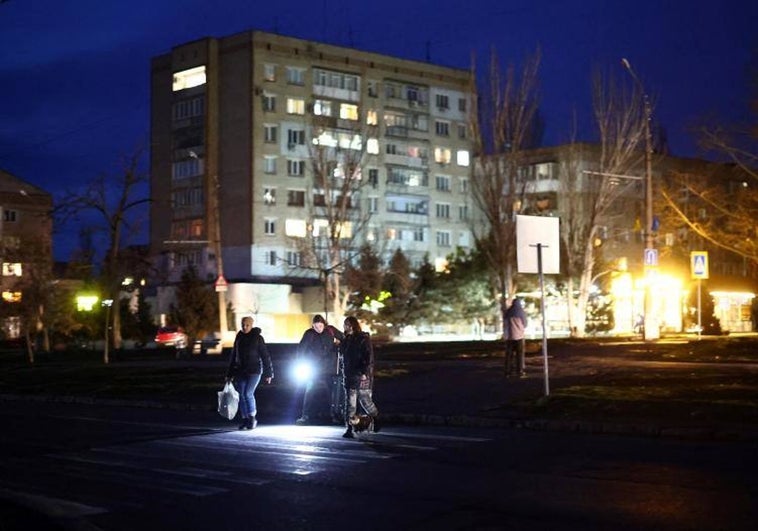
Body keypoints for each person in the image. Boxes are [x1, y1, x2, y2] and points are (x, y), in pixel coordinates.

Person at [226, 316, 274, 430]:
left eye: (247, 325)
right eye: (243, 324)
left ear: (251, 325)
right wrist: (229, 374)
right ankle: (245, 419)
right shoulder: (239, 337)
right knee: (241, 394)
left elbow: (265, 356)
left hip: (254, 370)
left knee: (248, 393)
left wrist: (269, 373)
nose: (245, 327)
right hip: (241, 370)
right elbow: (234, 356)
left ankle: (252, 418)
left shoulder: (257, 338)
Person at [295, 314, 344, 425]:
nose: (318, 329)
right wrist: (300, 361)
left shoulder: (331, 330)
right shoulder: (309, 334)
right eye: (316, 327)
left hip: (330, 368)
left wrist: (339, 345)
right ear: (313, 326)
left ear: (324, 324)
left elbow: (344, 338)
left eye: (320, 326)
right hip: (314, 368)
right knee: (310, 391)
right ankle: (306, 415)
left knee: (333, 393)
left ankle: (335, 415)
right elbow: (301, 348)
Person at [340, 316, 380, 439]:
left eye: (347, 324)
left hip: (361, 375)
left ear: (352, 325)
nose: (345, 326)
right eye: (345, 324)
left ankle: (376, 417)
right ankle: (350, 428)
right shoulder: (346, 340)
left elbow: (368, 357)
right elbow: (343, 355)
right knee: (350, 404)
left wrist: (364, 372)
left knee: (365, 400)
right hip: (350, 375)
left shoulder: (363, 338)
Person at [504, 297, 527, 377]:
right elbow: (525, 324)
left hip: (510, 337)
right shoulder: (521, 312)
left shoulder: (508, 312)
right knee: (519, 355)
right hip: (519, 336)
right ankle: (520, 371)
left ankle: (507, 371)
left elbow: (505, 323)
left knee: (509, 355)